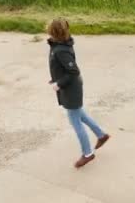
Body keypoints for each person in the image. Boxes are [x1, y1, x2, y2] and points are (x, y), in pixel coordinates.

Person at [47, 18, 110, 168]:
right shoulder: (60, 44)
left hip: (71, 89)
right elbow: (62, 67)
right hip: (69, 87)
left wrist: (59, 83)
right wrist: (55, 79)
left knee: (76, 122)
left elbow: (73, 71)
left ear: (54, 32)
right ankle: (101, 135)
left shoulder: (61, 49)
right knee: (81, 114)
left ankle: (88, 153)